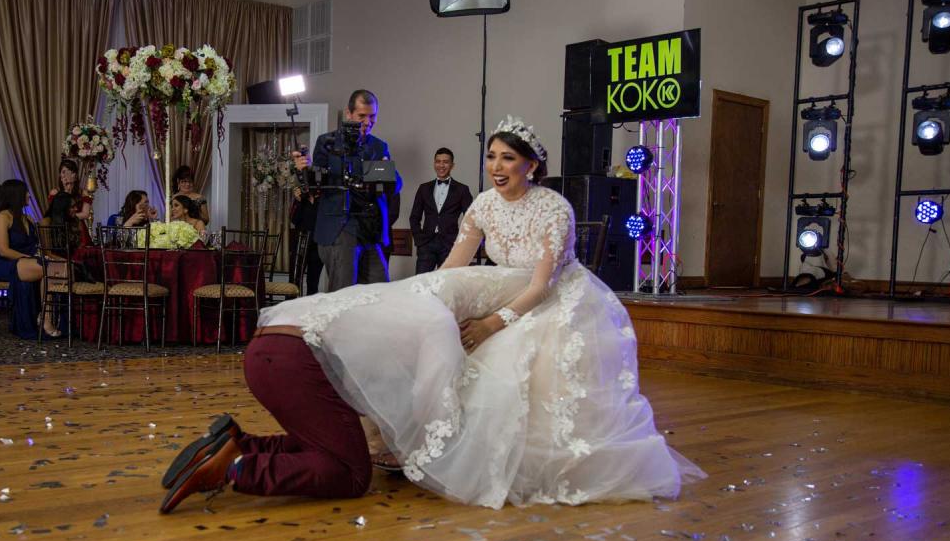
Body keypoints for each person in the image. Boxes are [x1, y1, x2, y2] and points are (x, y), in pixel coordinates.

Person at [160, 116, 703, 513]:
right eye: (491, 157)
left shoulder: (553, 207)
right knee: (445, 335)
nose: (497, 168)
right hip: (497, 290)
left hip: (550, 300)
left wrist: (492, 324)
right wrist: (419, 303)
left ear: (532, 165)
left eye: (508, 159)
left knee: (511, 374)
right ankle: (247, 453)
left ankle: (509, 454)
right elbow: (451, 267)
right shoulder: (483, 204)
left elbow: (541, 284)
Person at [292, 89, 399, 292]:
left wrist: (385, 172)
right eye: (362, 116)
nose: (368, 122)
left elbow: (395, 185)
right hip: (339, 228)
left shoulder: (379, 146)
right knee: (343, 294)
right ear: (348, 114)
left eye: (372, 116)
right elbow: (314, 186)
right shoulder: (327, 142)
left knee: (381, 293)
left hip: (371, 230)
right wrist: (303, 169)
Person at [0, 180, 61, 339]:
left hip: (29, 262)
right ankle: (45, 319)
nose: (29, 195)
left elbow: (38, 247)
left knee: (58, 268)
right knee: (47, 268)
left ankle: (46, 316)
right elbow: (3, 250)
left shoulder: (28, 218)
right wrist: (30, 258)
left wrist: (53, 258)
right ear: (16, 195)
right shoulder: (3, 217)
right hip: (6, 263)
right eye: (26, 192)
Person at [409, 147, 474, 274]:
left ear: (452, 165)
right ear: (434, 163)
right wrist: (419, 240)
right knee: (421, 282)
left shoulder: (462, 189)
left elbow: (471, 219)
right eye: (438, 161)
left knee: (448, 283)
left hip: (450, 245)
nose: (441, 165)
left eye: (445, 162)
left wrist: (460, 242)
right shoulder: (423, 188)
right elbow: (414, 217)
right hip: (426, 244)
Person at [49, 160, 93, 248]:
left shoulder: (83, 193)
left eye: (70, 172)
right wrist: (66, 190)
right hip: (62, 229)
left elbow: (85, 214)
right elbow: (56, 214)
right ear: (60, 176)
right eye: (63, 172)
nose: (66, 175)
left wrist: (68, 217)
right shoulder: (55, 193)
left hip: (79, 228)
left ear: (75, 175)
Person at [289, 186, 322, 295]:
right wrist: (298, 201)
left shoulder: (322, 199)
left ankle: (310, 304)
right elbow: (293, 219)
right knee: (294, 279)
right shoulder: (301, 200)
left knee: (313, 282)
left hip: (317, 244)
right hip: (301, 243)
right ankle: (291, 302)